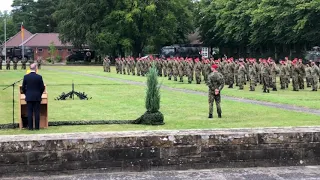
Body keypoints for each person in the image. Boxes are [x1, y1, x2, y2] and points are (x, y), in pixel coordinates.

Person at [22, 63, 45, 130]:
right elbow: (42, 88)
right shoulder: (39, 77)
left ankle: (30, 127)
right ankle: (37, 127)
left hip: (29, 96)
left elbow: (23, 88)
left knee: (29, 112)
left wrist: (26, 94)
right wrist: (39, 94)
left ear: (30, 68)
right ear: (36, 68)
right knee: (37, 112)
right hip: (37, 96)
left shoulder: (26, 77)